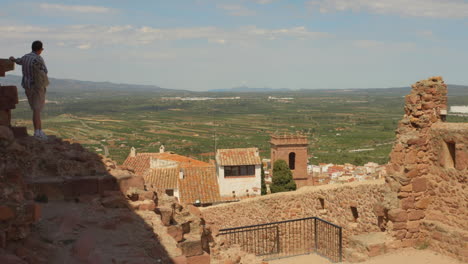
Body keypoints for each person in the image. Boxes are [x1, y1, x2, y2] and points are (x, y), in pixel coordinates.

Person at [10, 40, 49, 140]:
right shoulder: (38, 59)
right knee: (37, 110)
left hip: (27, 87)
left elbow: (19, 61)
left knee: (35, 109)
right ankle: (38, 132)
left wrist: (13, 59)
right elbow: (45, 71)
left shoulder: (26, 57)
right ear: (40, 49)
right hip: (37, 87)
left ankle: (39, 131)